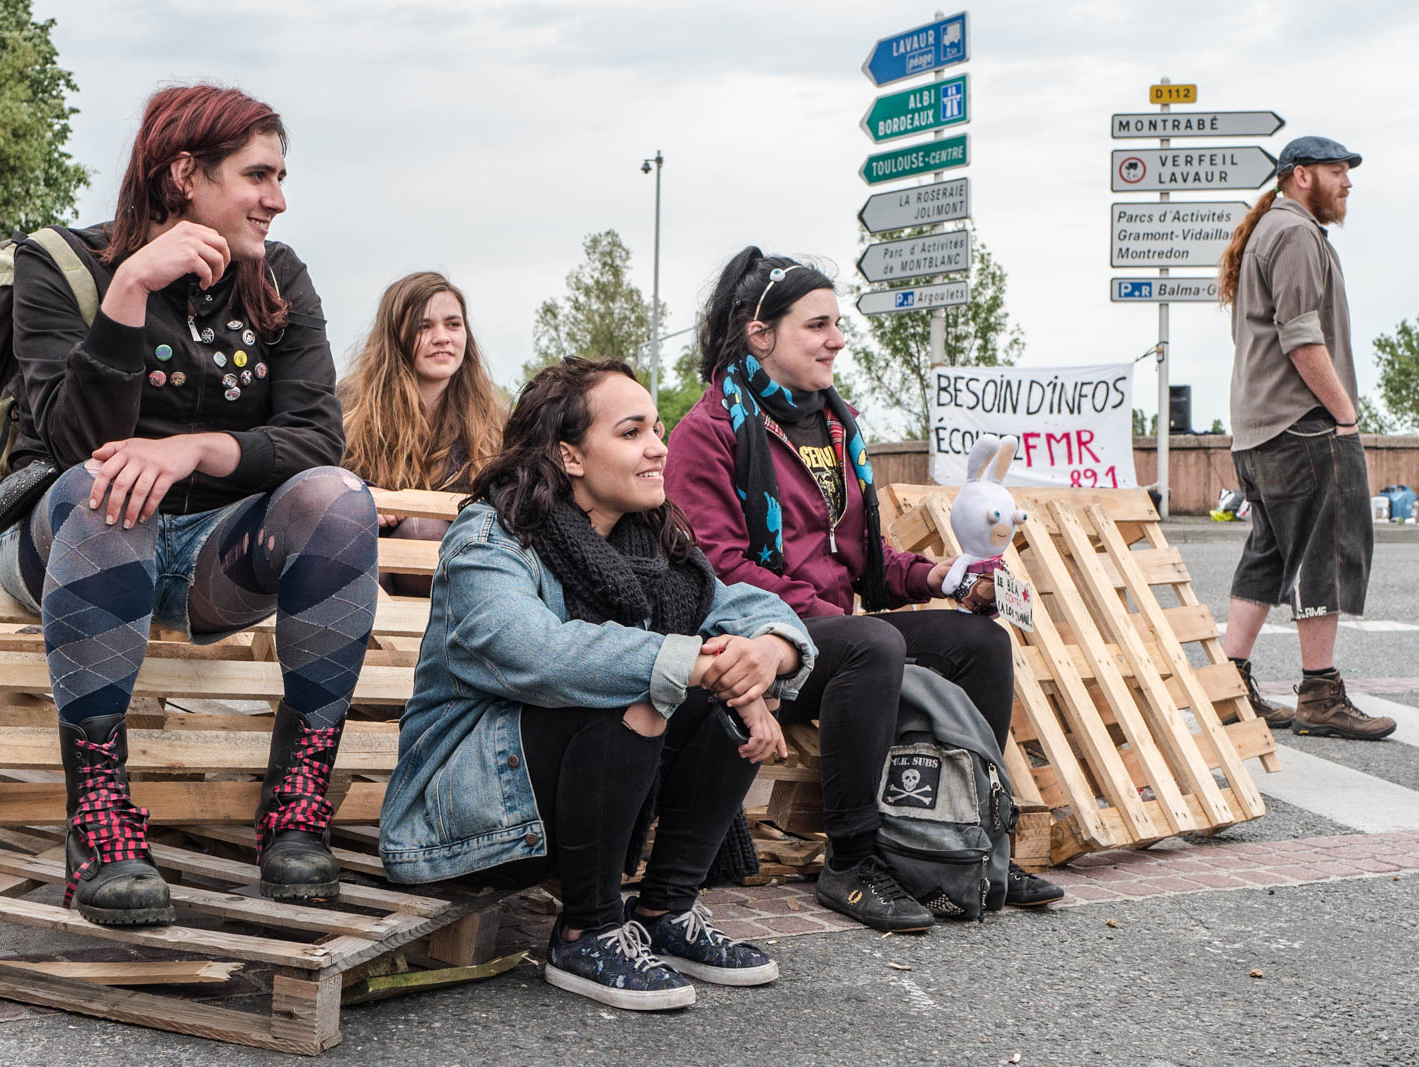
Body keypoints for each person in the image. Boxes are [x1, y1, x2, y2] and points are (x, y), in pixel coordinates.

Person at [0, 85, 381, 926]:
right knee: (107, 489)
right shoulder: (61, 264)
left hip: (211, 549)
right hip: (70, 537)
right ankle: (98, 820)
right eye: (258, 175)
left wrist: (193, 450)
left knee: (339, 500)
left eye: (281, 176)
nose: (278, 198)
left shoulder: (277, 278)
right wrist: (129, 288)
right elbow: (69, 441)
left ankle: (296, 806)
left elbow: (317, 436)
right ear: (184, 176)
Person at [380, 358, 817, 1011]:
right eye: (633, 431)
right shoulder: (491, 537)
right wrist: (694, 662)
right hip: (468, 816)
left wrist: (763, 654)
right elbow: (537, 652)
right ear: (570, 454)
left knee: (710, 684)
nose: (658, 446)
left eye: (657, 428)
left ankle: (665, 912)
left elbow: (741, 605)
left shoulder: (653, 546)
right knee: (642, 684)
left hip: (560, 811)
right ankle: (586, 930)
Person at [665, 247, 1063, 931]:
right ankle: (853, 862)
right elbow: (720, 571)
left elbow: (864, 558)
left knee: (979, 642)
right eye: (817, 325)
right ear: (761, 334)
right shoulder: (707, 432)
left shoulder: (836, 424)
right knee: (868, 642)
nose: (837, 339)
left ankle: (967, 839)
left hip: (840, 640)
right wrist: (829, 620)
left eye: (837, 323)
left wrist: (943, 576)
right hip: (753, 648)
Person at [1215, 136, 1393, 740]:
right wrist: (1344, 414)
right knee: (1329, 552)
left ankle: (1228, 682)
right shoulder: (1293, 234)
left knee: (1269, 554)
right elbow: (1300, 336)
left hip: (1258, 429)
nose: (1347, 183)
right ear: (1300, 177)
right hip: (1302, 424)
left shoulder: (1269, 228)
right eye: (1337, 171)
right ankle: (1319, 692)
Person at [337, 272, 504, 593]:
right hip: (367, 570)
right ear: (394, 335)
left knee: (422, 529)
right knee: (359, 553)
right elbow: (311, 480)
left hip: (454, 577)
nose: (442, 337)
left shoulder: (492, 423)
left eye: (453, 324)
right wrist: (360, 493)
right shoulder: (347, 411)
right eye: (423, 326)